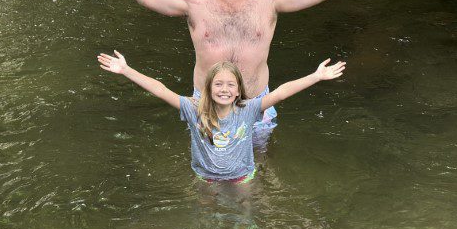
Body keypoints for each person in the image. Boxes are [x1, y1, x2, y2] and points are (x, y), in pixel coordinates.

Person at [110, 0, 349, 142]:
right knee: (209, 169)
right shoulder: (194, 1)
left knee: (258, 163)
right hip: (207, 106)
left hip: (256, 104)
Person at [97, 51, 345, 182]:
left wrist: (316, 76)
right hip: (205, 177)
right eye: (218, 84)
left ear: (238, 90)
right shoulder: (194, 109)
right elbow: (161, 90)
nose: (224, 89)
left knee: (245, 214)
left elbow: (280, 93)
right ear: (208, 89)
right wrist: (127, 70)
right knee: (207, 215)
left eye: (230, 85)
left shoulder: (249, 110)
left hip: (242, 176)